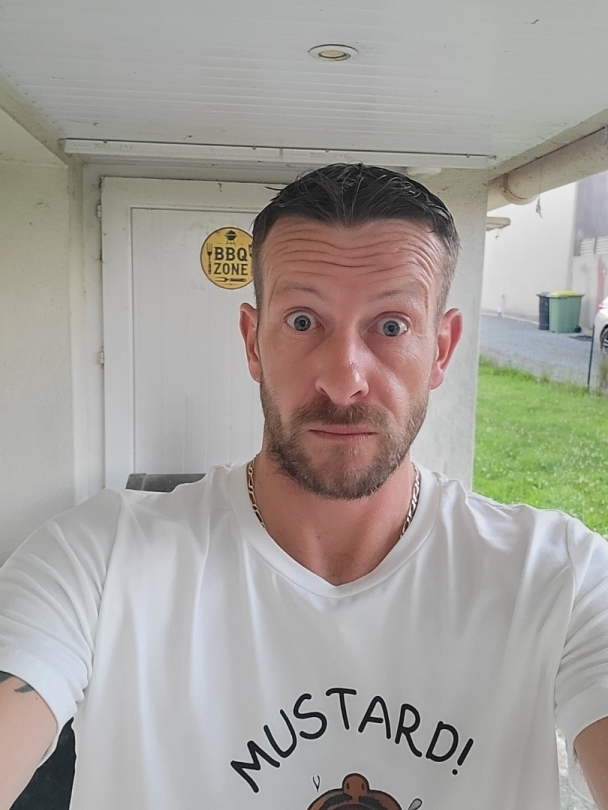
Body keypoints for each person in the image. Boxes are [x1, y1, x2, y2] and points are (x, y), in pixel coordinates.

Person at [1, 163, 607, 810]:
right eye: (301, 321)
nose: (343, 381)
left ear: (441, 348)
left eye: (392, 326)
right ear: (252, 342)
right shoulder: (99, 560)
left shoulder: (558, 577)